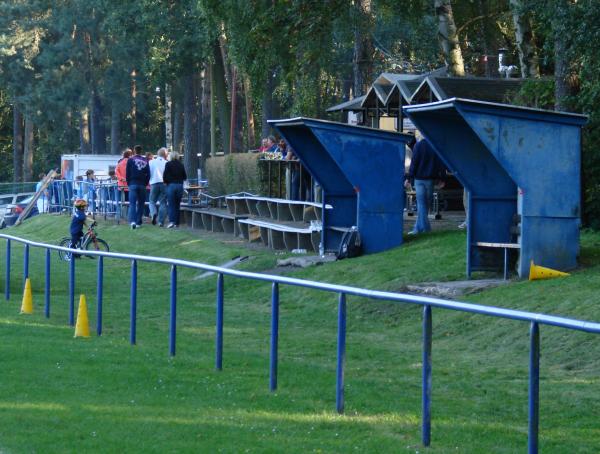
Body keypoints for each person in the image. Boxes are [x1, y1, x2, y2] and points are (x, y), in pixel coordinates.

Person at [405, 138, 446, 235]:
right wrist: (443, 178)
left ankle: (426, 229)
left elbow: (414, 163)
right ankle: (417, 229)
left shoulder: (418, 146)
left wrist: (409, 178)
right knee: (426, 205)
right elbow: (441, 163)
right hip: (431, 180)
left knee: (421, 205)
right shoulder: (435, 145)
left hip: (419, 179)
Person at [126, 145, 150, 229]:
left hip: (133, 183)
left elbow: (127, 173)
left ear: (134, 151)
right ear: (141, 151)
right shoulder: (145, 160)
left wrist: (129, 183)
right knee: (141, 204)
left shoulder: (130, 160)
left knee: (132, 203)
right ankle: (138, 222)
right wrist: (146, 183)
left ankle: (132, 221)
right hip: (142, 184)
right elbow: (148, 174)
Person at [163, 150, 187, 228]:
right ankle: (177, 222)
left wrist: (166, 182)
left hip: (171, 185)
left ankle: (172, 221)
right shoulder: (181, 165)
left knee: (171, 204)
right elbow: (185, 177)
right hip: (179, 185)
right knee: (177, 205)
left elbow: (165, 176)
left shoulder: (168, 164)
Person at [149, 147, 168, 227]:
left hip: (154, 183)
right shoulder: (167, 162)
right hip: (164, 184)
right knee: (163, 203)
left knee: (152, 201)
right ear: (165, 155)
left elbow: (149, 172)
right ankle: (161, 222)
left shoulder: (151, 162)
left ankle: (153, 213)